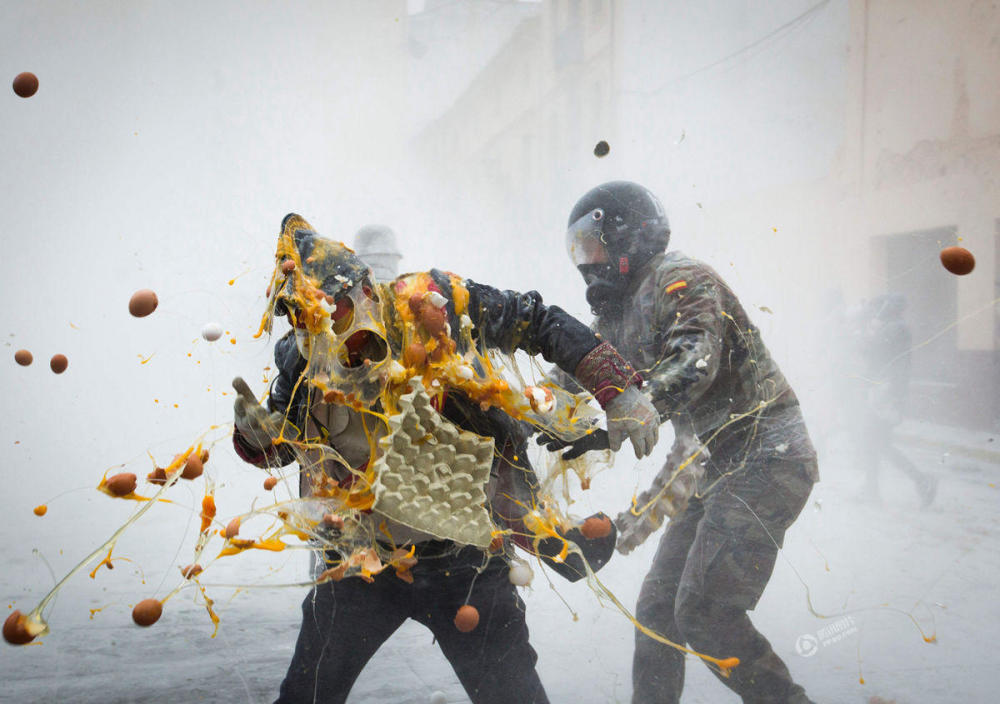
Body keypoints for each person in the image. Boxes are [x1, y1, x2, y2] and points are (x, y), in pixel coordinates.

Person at [231, 213, 659, 704]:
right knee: (306, 696)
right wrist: (256, 434)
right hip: (360, 563)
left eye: (337, 311)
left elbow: (534, 320)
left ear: (366, 290)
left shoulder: (434, 303)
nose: (327, 332)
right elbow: (281, 448)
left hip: (464, 558)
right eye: (308, 320)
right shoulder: (300, 356)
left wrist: (618, 390)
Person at [560, 182, 819, 703]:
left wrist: (626, 413)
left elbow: (694, 361)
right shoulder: (618, 313)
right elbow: (569, 378)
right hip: (717, 464)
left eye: (594, 249)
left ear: (628, 240)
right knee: (658, 610)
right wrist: (504, 409)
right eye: (580, 253)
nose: (588, 264)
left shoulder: (682, 279)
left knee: (705, 613)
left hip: (768, 456)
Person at [854, 293, 936, 506]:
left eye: (878, 307)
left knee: (875, 441)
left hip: (885, 393)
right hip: (884, 392)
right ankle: (877, 488)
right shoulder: (894, 327)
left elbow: (871, 352)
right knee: (876, 442)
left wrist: (866, 331)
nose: (875, 311)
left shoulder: (894, 328)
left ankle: (918, 481)